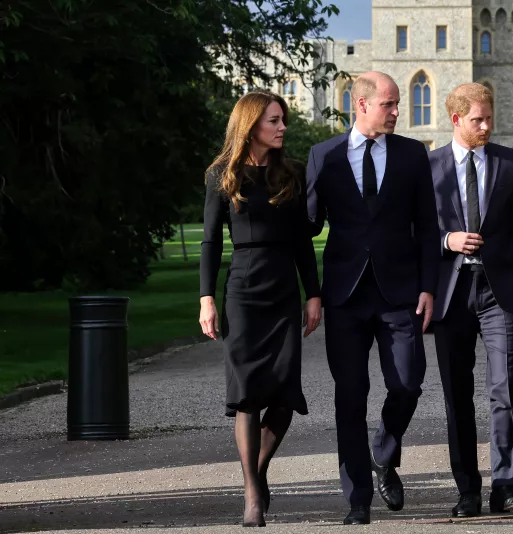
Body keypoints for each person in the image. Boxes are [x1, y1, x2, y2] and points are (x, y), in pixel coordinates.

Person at [305, 72, 440, 525]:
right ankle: (358, 497)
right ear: (361, 104)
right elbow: (305, 227)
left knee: (407, 382)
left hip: (399, 292)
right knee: (350, 395)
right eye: (389, 104)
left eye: (398, 104)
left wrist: (428, 286)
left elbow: (427, 226)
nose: (397, 112)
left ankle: (385, 452)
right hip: (343, 295)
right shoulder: (323, 156)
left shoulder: (412, 154)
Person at [429, 83, 513, 518]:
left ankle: (506, 486)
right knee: (457, 395)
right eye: (478, 119)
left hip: (499, 291)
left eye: (489, 118)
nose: (486, 126)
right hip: (451, 293)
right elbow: (412, 231)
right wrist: (448, 239)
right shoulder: (429, 167)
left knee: (505, 388)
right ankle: (467, 490)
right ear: (456, 120)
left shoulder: (510, 162)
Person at [198, 91, 322, 527]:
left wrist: (313, 294)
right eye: (274, 120)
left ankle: (259, 469)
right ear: (251, 125)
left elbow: (304, 240)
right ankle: (253, 492)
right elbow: (211, 241)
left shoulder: (292, 173)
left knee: (285, 393)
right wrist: (206, 298)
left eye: (282, 120)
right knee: (248, 393)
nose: (282, 127)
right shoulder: (221, 175)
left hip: (284, 287)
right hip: (244, 291)